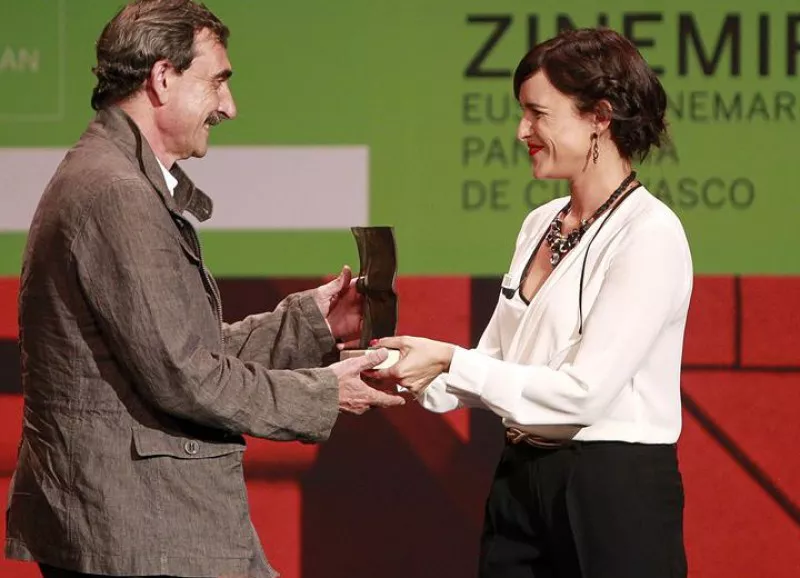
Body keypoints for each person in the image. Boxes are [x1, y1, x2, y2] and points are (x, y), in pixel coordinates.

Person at [5, 1, 403, 577]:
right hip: (143, 529)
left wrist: (313, 322)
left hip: (148, 523)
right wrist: (324, 391)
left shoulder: (117, 180)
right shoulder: (116, 193)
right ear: (162, 78)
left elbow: (179, 351)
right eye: (217, 81)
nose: (229, 106)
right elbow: (185, 374)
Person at [370, 27, 692, 578]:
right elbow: (499, 360)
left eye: (538, 114)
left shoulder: (650, 234)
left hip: (611, 490)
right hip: (520, 478)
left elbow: (583, 396)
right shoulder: (539, 222)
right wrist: (406, 372)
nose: (523, 131)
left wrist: (449, 359)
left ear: (600, 116)